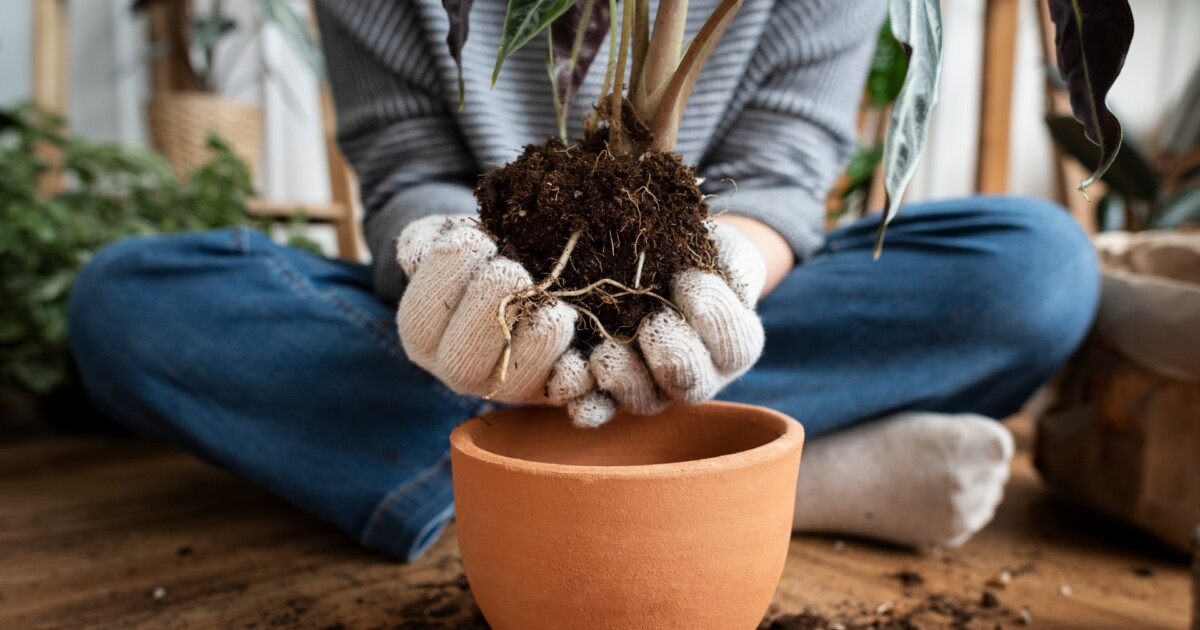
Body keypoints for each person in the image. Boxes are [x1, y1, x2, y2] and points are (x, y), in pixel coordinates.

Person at [68, 0, 1098, 561]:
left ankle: (509, 482)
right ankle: (763, 474)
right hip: (483, 317)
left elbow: (783, 173)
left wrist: (728, 266)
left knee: (1035, 268)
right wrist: (440, 272)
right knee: (126, 299)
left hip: (702, 318)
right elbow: (406, 161)